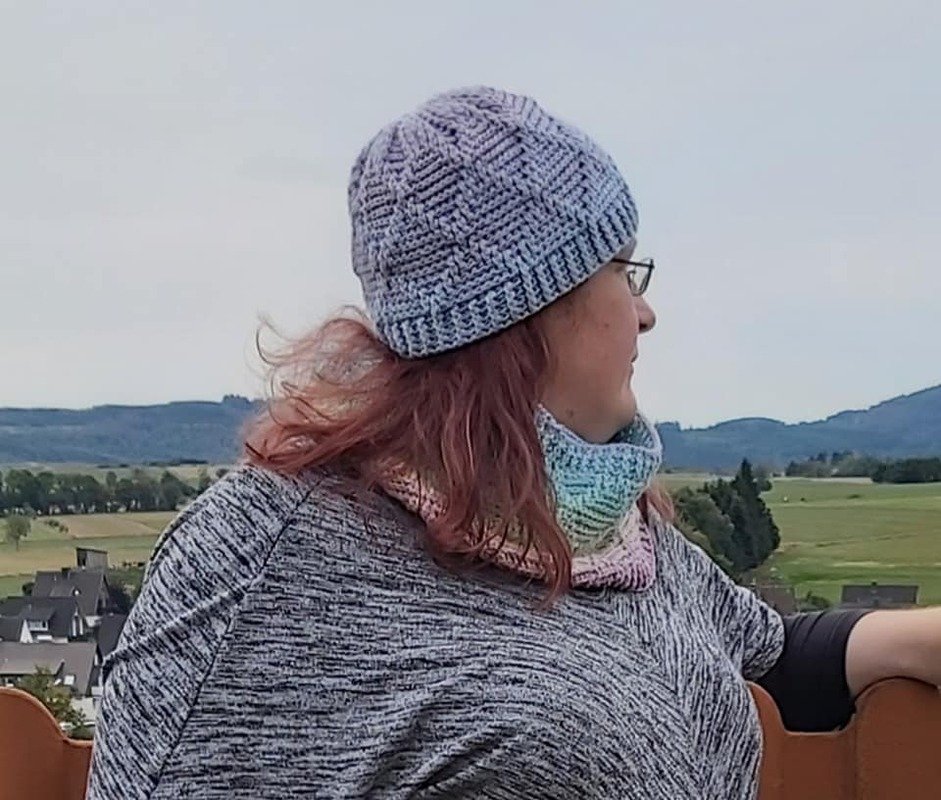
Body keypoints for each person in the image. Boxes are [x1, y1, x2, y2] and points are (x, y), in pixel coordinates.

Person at [86, 86, 875, 799]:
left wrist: (916, 641)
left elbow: (767, 655)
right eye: (622, 269)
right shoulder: (260, 551)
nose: (645, 313)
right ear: (532, 306)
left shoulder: (608, 530)